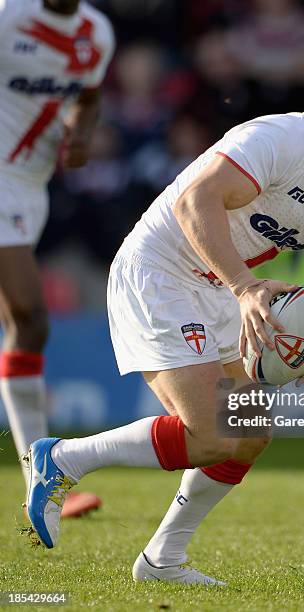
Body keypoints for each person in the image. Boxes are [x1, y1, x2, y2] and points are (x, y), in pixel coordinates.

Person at [25, 39, 304, 583]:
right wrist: (245, 287)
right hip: (160, 270)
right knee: (208, 435)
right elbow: (194, 201)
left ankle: (162, 559)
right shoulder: (284, 137)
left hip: (217, 287)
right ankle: (62, 459)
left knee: (251, 430)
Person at [0, 0, 114, 516]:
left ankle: (37, 478)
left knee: (24, 323)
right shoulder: (9, 17)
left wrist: (81, 134)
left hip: (31, 187)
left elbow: (86, 100)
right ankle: (40, 479)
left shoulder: (96, 32)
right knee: (30, 315)